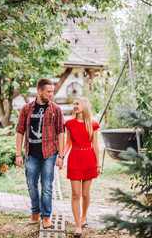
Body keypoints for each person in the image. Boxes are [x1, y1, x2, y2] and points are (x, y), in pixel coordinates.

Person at [15, 78, 64, 228]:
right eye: (48, 91)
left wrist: (61, 156)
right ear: (40, 91)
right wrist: (18, 154)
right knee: (31, 184)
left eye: (52, 91)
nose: (51, 94)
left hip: (49, 153)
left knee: (47, 186)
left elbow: (61, 133)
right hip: (31, 154)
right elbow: (19, 132)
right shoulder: (26, 109)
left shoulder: (56, 109)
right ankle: (35, 211)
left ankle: (46, 216)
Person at [64, 97, 101, 237]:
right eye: (74, 104)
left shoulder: (93, 124)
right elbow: (68, 144)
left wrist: (98, 164)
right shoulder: (69, 124)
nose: (75, 106)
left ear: (84, 106)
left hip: (88, 159)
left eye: (77, 104)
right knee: (75, 194)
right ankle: (78, 226)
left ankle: (84, 216)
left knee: (85, 194)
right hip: (74, 158)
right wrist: (61, 156)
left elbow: (95, 145)